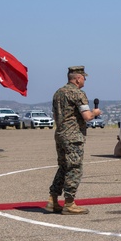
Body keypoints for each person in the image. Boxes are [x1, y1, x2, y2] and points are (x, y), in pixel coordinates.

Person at [47, 66, 102, 215]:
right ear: (78, 78)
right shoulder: (78, 93)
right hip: (73, 137)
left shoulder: (58, 93)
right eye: (84, 78)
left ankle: (53, 200)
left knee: (63, 167)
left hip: (60, 134)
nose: (85, 80)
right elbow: (87, 116)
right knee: (74, 168)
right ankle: (69, 203)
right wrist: (95, 112)